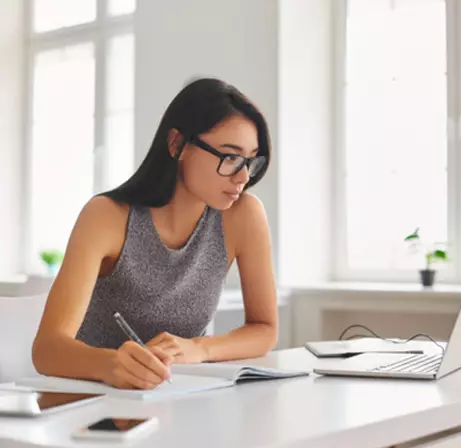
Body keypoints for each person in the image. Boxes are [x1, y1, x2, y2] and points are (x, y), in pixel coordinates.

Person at [32, 78, 278, 390]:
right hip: (93, 402)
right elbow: (47, 350)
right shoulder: (106, 216)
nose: (243, 176)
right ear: (177, 144)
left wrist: (200, 349)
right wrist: (111, 364)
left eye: (250, 160)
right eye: (229, 157)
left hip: (178, 397)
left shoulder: (243, 215)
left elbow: (264, 328)